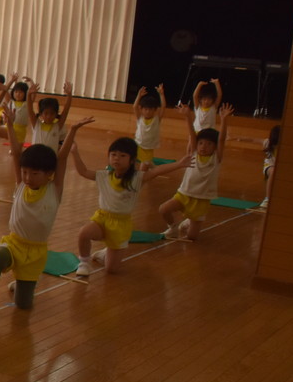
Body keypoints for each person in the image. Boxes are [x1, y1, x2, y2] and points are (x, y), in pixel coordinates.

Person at [0, 109, 92, 318]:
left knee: (23, 305)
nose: (28, 177)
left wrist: (73, 130)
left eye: (34, 173)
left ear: (49, 174)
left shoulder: (54, 190)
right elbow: (16, 151)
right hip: (14, 243)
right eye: (25, 172)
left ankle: (21, 282)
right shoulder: (21, 184)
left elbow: (62, 158)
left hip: (36, 252)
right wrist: (9, 124)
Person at [72, 135, 192, 276]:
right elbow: (83, 171)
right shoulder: (103, 175)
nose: (116, 158)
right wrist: (74, 152)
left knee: (112, 270)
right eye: (113, 154)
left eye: (122, 155)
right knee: (84, 233)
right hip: (102, 219)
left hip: (121, 224)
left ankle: (103, 254)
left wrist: (179, 164)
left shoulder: (137, 178)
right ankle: (84, 263)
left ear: (132, 160)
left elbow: (156, 171)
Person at [159, 103, 235, 241]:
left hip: (201, 200)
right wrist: (188, 117)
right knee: (163, 209)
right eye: (201, 143)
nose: (203, 147)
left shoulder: (216, 158)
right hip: (184, 194)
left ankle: (189, 220)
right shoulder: (193, 153)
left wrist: (224, 119)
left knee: (191, 237)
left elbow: (221, 139)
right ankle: (173, 227)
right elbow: (192, 134)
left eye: (209, 144)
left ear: (215, 147)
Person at [0, 78, 32, 157]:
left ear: (25, 93)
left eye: (21, 92)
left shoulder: (27, 104)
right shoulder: (11, 102)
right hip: (9, 128)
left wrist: (31, 82)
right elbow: (6, 90)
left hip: (20, 132)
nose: (18, 94)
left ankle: (14, 148)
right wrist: (11, 81)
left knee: (16, 153)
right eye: (16, 92)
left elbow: (32, 95)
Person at [26, 81, 74, 150]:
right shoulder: (36, 125)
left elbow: (66, 110)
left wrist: (69, 95)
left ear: (56, 114)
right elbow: (30, 109)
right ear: (41, 114)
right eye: (46, 113)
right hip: (35, 155)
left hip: (51, 156)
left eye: (52, 113)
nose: (49, 116)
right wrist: (28, 94)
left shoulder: (57, 126)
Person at [132, 84, 167, 171]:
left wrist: (161, 94)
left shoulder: (156, 119)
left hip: (149, 148)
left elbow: (163, 106)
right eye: (146, 109)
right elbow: (135, 107)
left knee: (143, 169)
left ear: (155, 110)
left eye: (150, 109)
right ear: (141, 109)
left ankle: (148, 165)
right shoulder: (140, 118)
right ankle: (149, 164)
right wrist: (139, 95)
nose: (148, 112)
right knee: (134, 161)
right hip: (139, 144)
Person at [261, 124, 280, 209]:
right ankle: (267, 199)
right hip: (269, 166)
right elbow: (253, 140)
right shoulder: (267, 142)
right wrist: (237, 138)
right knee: (273, 171)